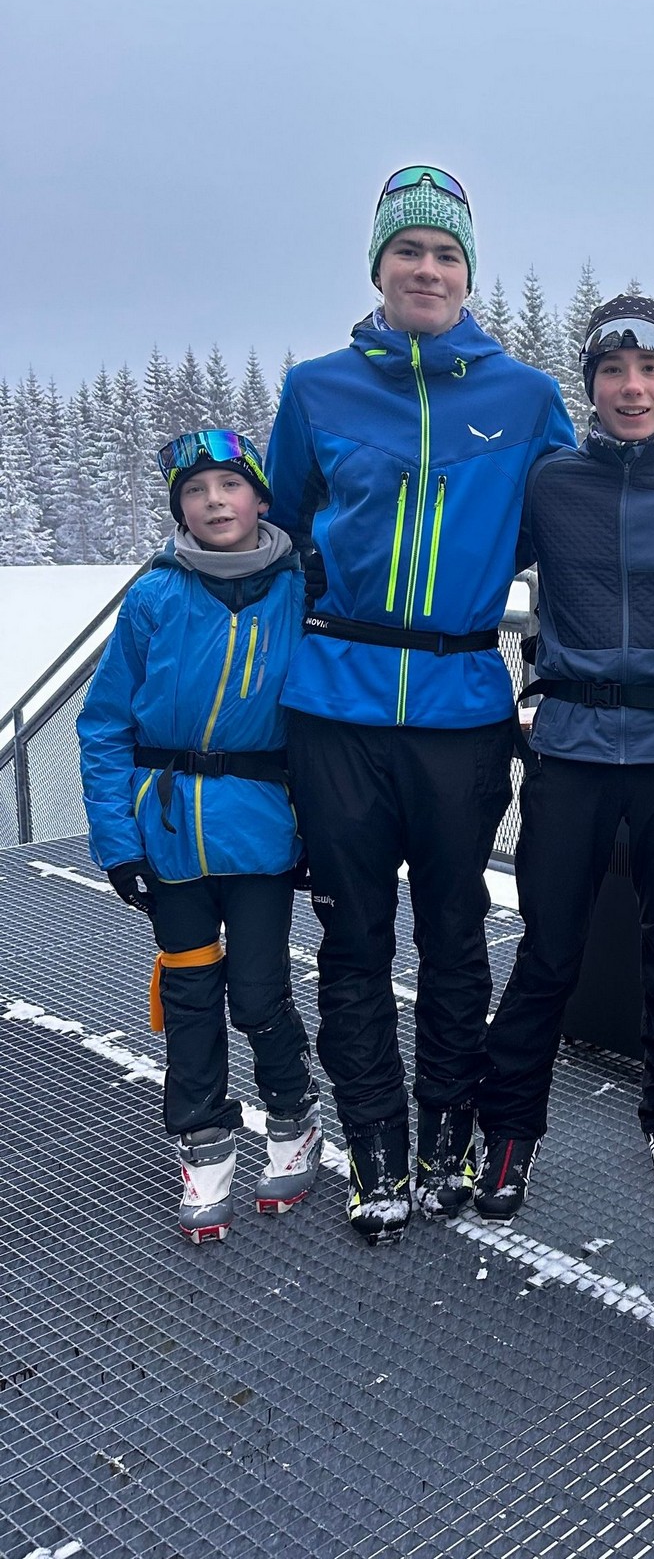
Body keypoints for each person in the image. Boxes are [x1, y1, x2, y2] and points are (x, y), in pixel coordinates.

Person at [264, 166, 574, 1244]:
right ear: (379, 268)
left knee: (454, 934)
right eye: (409, 251)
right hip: (336, 706)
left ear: (468, 273)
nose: (427, 269)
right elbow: (278, 531)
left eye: (446, 254)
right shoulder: (316, 389)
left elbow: (566, 533)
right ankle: (377, 1145)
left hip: (460, 705)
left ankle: (445, 1129)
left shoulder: (524, 399)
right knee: (352, 939)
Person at [474, 296, 654, 1215]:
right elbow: (466, 554)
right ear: (590, 383)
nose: (632, 389)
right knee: (548, 948)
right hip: (572, 745)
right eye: (612, 371)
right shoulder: (550, 481)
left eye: (649, 372)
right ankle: (508, 1127)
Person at [78, 432, 320, 1243]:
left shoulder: (300, 589)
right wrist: (117, 842)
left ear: (261, 498)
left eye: (229, 485)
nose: (213, 501)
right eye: (194, 490)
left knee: (257, 991)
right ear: (179, 509)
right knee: (188, 990)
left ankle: (293, 1117)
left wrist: (320, 829)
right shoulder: (155, 596)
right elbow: (104, 724)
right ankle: (202, 1139)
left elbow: (325, 723)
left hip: (261, 828)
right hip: (169, 828)